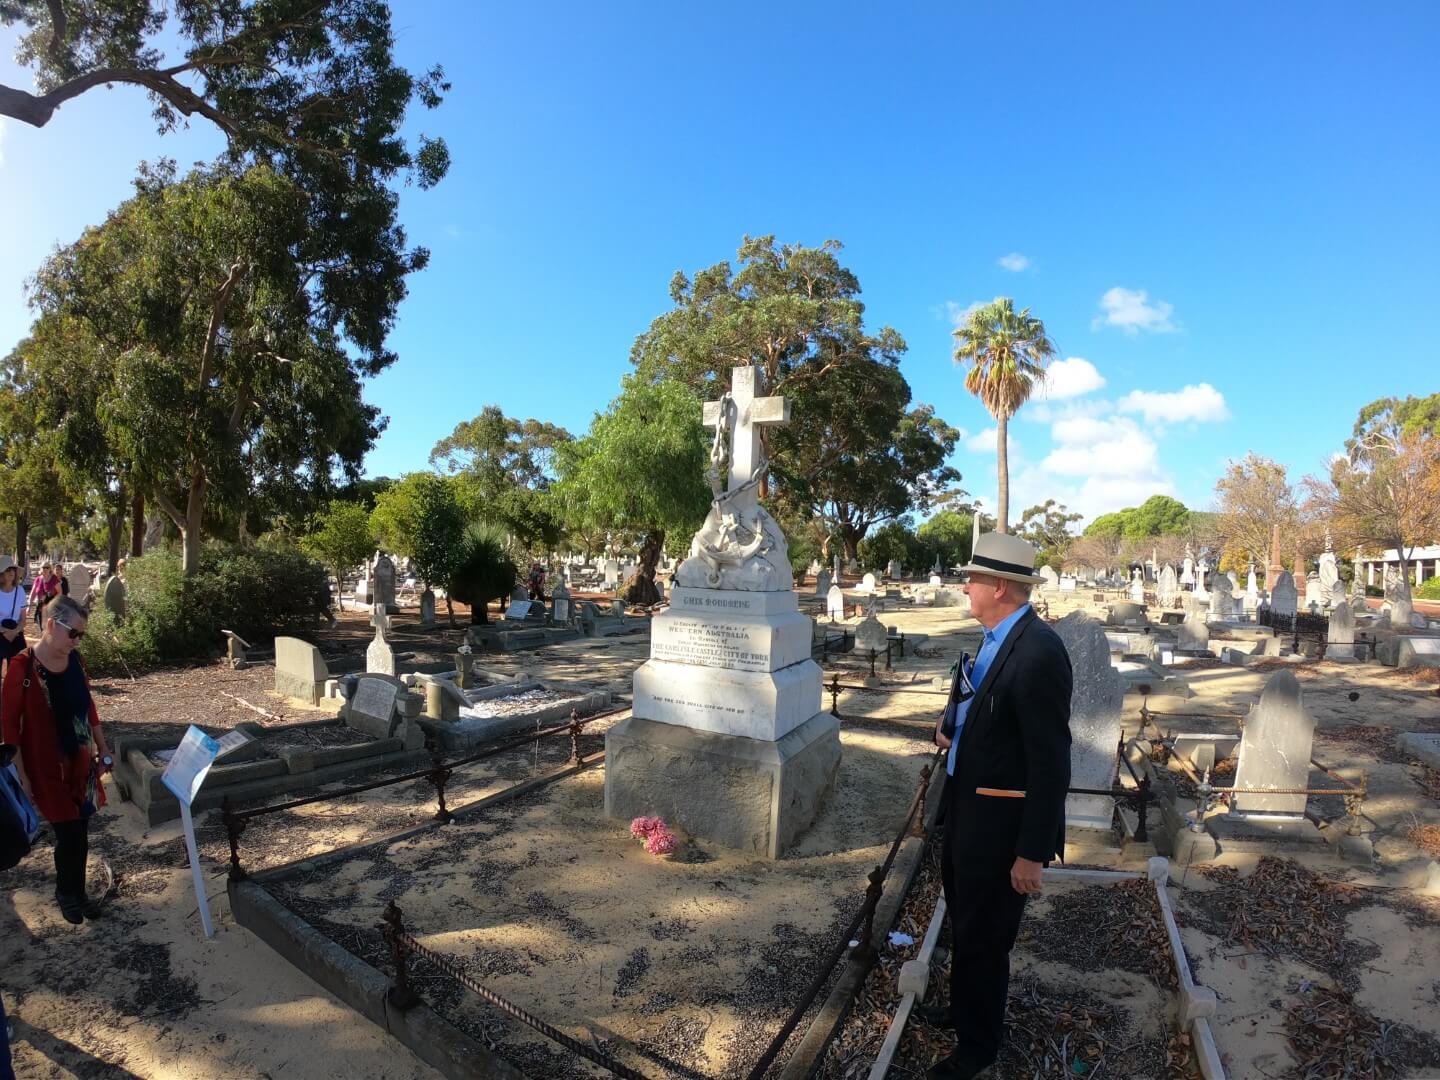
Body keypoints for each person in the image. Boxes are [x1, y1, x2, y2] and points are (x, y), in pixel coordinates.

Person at [926, 533, 1072, 1080]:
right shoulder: (991, 639)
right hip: (966, 808)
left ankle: (978, 1049)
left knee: (987, 937)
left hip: (1001, 826)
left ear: (1001, 587)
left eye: (973, 578)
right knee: (966, 922)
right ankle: (966, 1013)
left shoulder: (1038, 653)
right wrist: (949, 730)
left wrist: (1031, 853)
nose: (965, 585)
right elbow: (982, 715)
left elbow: (1052, 762)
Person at [0, 596, 111, 925]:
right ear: (51, 625)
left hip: (81, 762)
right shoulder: (22, 668)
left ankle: (79, 894)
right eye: (73, 633)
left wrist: (103, 748)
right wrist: (21, 772)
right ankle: (66, 893)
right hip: (46, 768)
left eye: (81, 635)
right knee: (69, 835)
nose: (76, 641)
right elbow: (9, 723)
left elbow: (88, 707)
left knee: (83, 830)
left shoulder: (75, 661)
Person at [0, 558, 28, 674]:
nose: (11, 572)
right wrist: (4, 631)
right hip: (0, 634)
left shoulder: (20, 590)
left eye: (13, 569)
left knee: (16, 673)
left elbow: (23, 619)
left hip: (16, 635)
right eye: (8, 570)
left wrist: (14, 632)